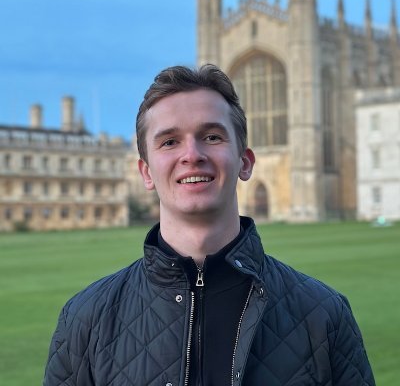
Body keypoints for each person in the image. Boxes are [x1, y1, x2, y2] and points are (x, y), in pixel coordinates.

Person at [43, 64, 375, 385]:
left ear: (245, 163)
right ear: (146, 172)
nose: (192, 155)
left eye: (212, 136)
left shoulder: (324, 315)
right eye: (169, 141)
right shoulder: (85, 320)